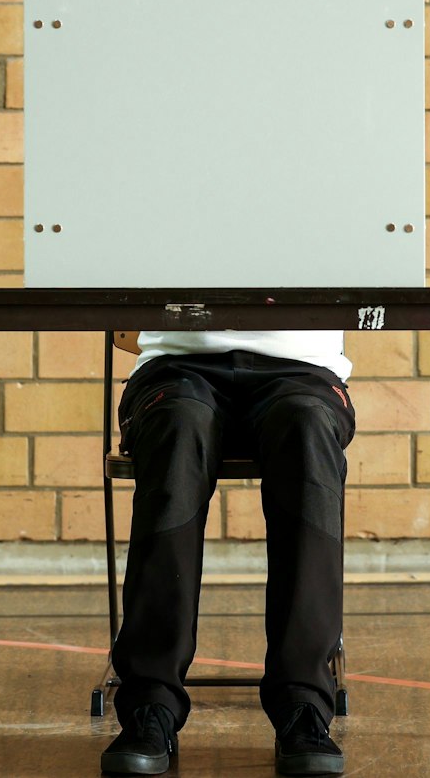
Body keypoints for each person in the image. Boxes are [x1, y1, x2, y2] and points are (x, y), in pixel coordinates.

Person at [100, 327, 355, 777]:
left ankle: (303, 705)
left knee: (307, 425)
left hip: (303, 371)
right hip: (177, 367)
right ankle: (150, 705)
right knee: (178, 427)